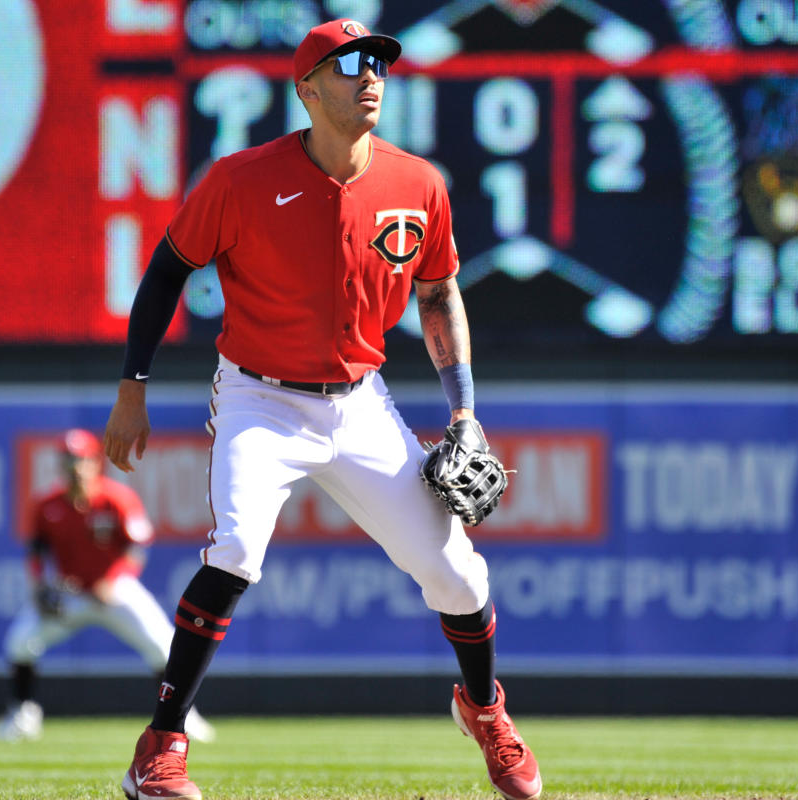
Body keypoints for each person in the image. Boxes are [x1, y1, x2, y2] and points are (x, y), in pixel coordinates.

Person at [103, 18, 541, 800]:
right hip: (258, 396)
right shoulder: (238, 179)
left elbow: (438, 294)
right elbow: (167, 271)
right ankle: (160, 747)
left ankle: (485, 711)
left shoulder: (418, 183)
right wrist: (132, 387)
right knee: (235, 550)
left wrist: (464, 415)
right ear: (307, 89)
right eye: (348, 65)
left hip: (359, 402)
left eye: (378, 62)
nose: (370, 75)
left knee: (457, 574)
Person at [0, 428, 215, 745]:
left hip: (115, 590)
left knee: (164, 645)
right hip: (71, 593)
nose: (75, 466)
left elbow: (136, 549)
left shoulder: (117, 498)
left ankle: (182, 717)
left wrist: (112, 580)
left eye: (81, 458)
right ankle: (23, 714)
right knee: (19, 642)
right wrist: (40, 587)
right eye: (68, 459)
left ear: (95, 461)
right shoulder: (47, 504)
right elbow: (36, 553)